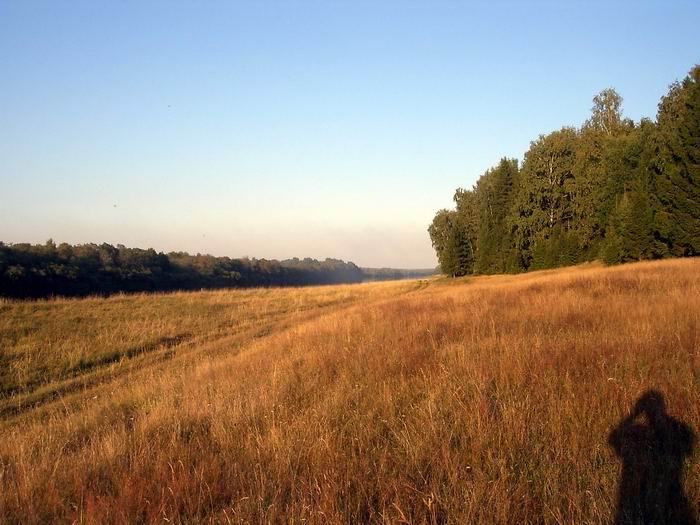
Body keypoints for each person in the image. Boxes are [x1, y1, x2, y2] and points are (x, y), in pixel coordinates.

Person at [608, 390, 696, 524]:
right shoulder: (675, 431)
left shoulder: (638, 434)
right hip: (670, 500)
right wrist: (665, 418)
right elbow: (690, 444)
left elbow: (614, 438)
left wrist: (633, 414)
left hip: (647, 502)